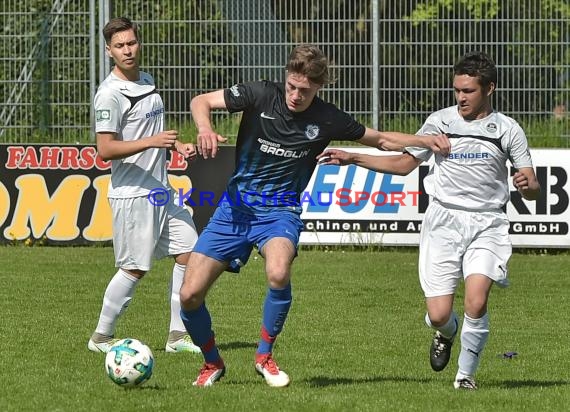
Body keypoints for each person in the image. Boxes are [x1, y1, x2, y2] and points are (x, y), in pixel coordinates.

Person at [178, 43, 451, 387]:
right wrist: (204, 127)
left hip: (280, 211)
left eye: (304, 90)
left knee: (278, 271)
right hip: (235, 209)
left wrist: (425, 140)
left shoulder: (327, 118)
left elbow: (381, 140)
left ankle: (264, 357)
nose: (295, 95)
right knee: (189, 295)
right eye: (291, 86)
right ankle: (212, 363)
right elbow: (200, 101)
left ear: (319, 86)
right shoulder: (261, 94)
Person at [318, 51, 541, 390]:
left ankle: (465, 377)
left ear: (489, 89)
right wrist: (352, 157)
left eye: (469, 91)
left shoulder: (508, 129)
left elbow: (531, 185)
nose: (461, 98)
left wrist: (529, 186)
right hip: (443, 221)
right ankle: (445, 332)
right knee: (439, 314)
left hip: (487, 224)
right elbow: (403, 164)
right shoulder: (440, 122)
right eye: (457, 90)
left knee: (477, 300)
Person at [88, 17, 201, 354]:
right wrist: (153, 141)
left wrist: (175, 145)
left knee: (191, 253)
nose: (128, 50)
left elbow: (152, 133)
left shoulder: (148, 81)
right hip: (132, 195)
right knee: (134, 268)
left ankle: (177, 337)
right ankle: (101, 337)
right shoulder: (109, 94)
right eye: (120, 45)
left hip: (160, 190)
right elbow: (105, 149)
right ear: (109, 51)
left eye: (132, 43)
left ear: (139, 43)